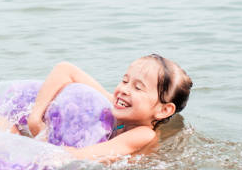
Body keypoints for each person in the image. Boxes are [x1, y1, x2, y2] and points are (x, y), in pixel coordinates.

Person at [26, 54, 192, 162]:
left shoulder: (143, 134)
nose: (124, 90)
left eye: (138, 88)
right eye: (125, 81)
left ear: (164, 110)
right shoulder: (118, 106)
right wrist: (35, 119)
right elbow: (65, 69)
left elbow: (79, 157)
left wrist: (44, 139)